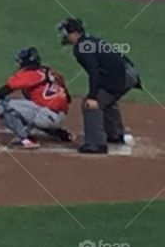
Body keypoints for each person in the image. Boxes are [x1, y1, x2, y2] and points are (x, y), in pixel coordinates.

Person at [57, 18, 141, 154]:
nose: (65, 36)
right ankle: (115, 134)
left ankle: (96, 144)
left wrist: (92, 96)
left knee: (90, 105)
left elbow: (93, 72)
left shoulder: (81, 48)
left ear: (76, 33)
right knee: (107, 99)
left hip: (120, 77)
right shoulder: (91, 41)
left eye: (67, 33)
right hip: (129, 73)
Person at [0, 47, 73, 149]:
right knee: (33, 107)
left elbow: (2, 91)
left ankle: (27, 139)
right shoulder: (48, 71)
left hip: (47, 116)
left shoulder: (30, 73)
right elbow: (68, 99)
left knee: (2, 105)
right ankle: (60, 133)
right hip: (59, 116)